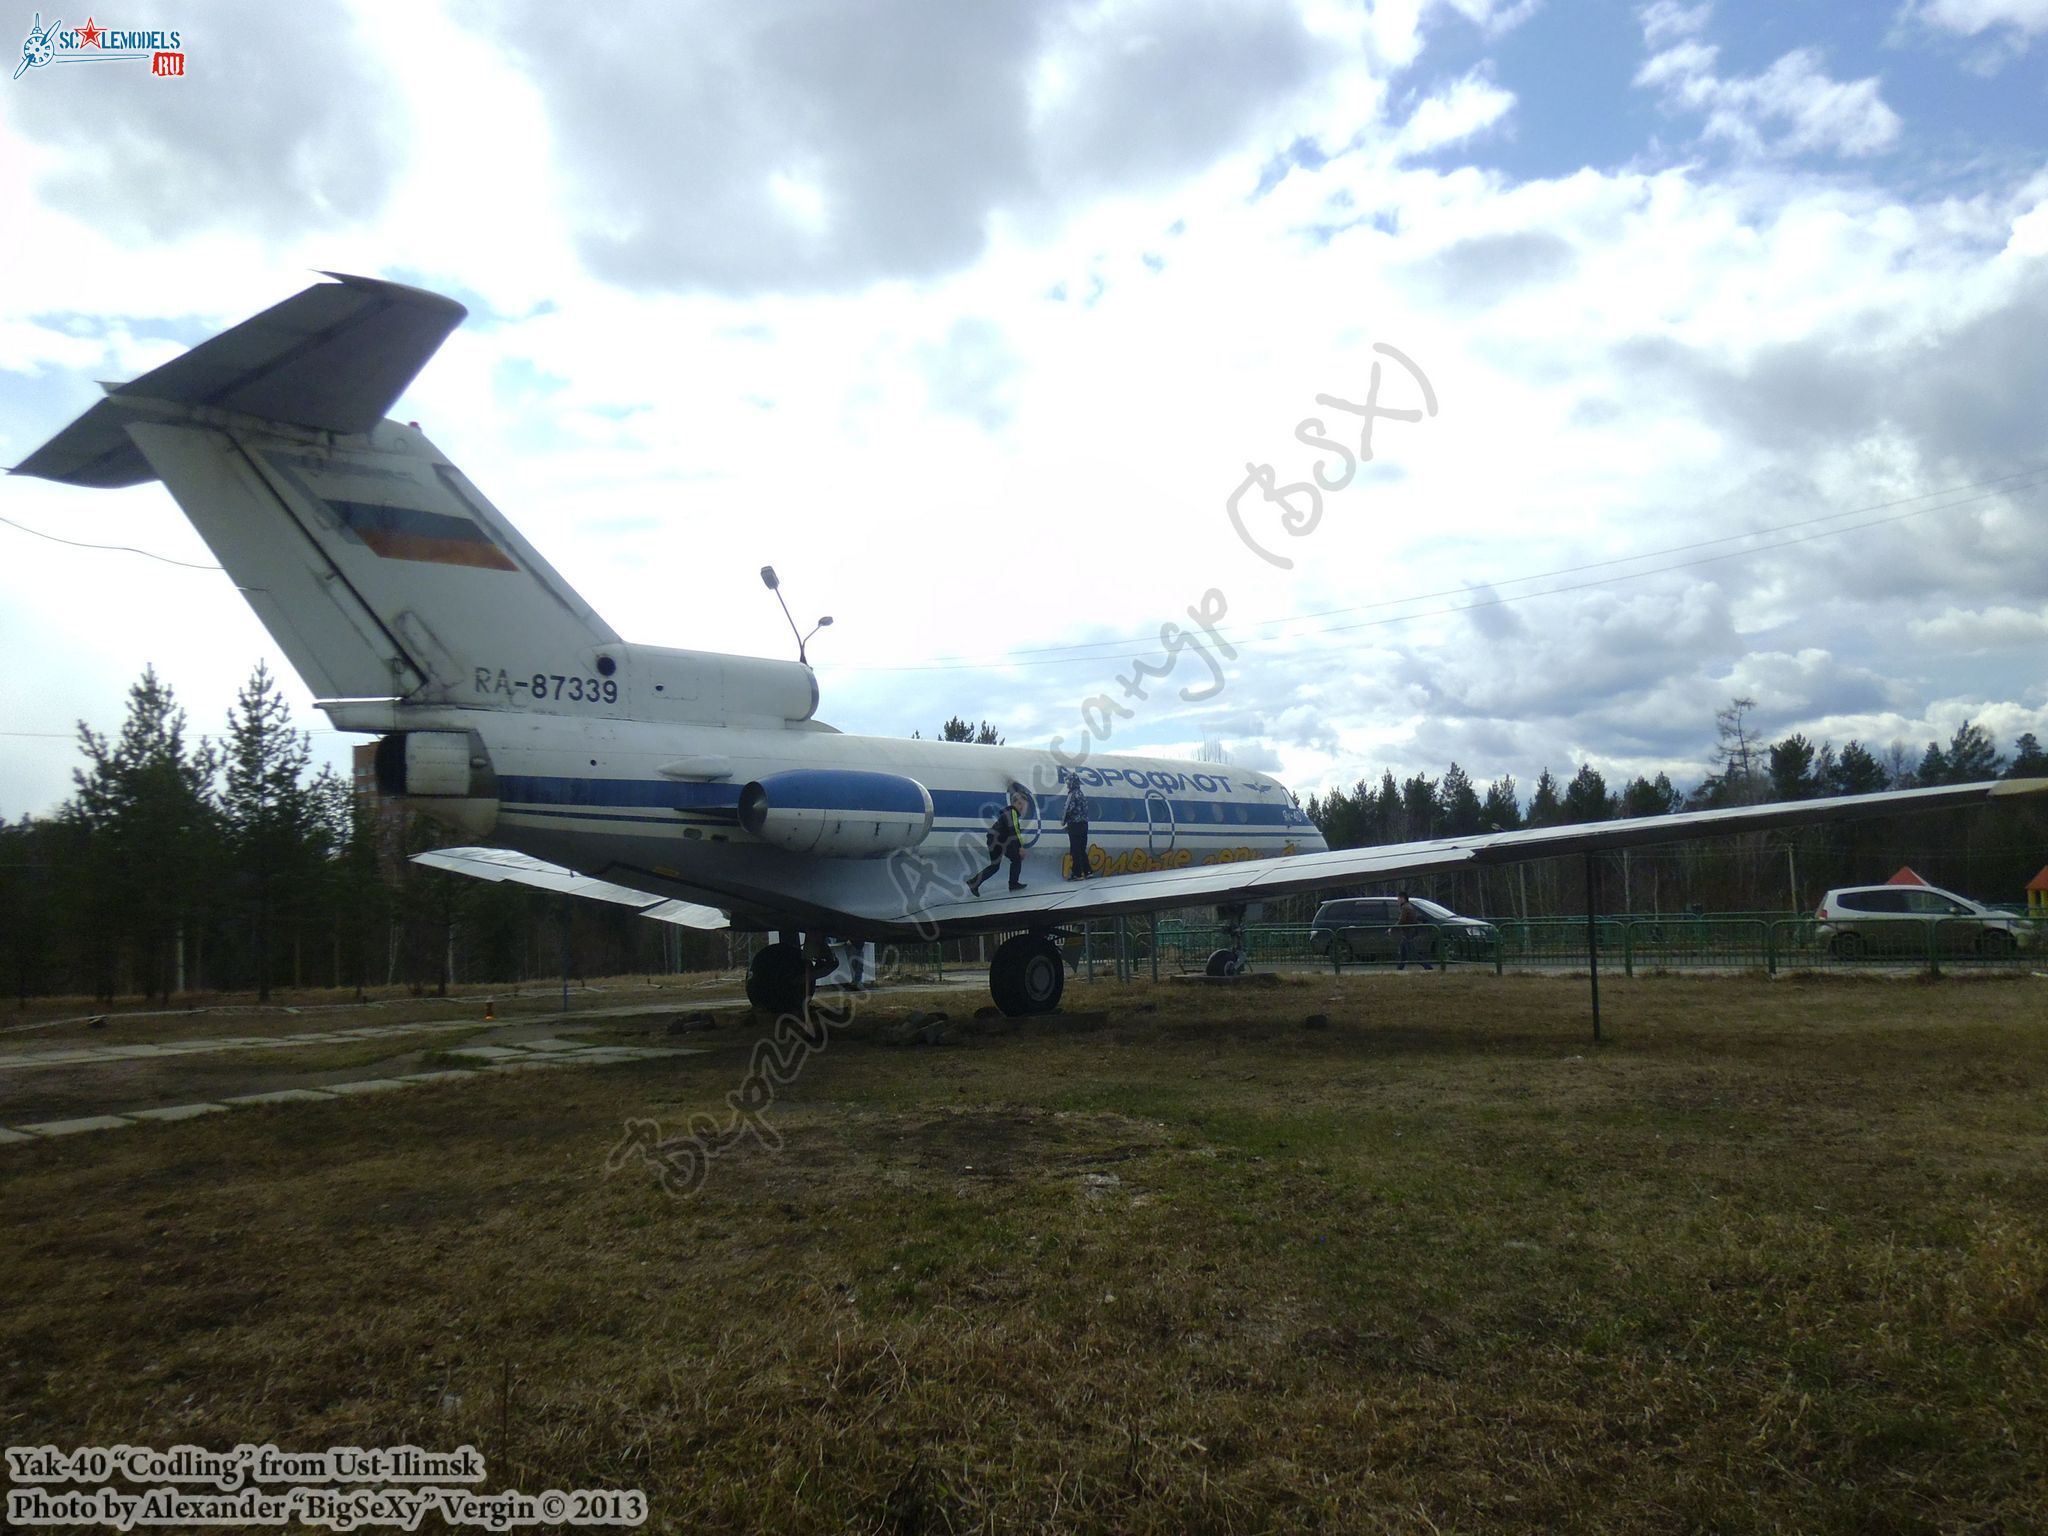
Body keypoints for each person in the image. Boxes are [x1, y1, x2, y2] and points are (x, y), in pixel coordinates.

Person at [967, 785, 1030, 896]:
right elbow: (1014, 831)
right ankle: (1013, 884)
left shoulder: (1008, 813)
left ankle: (974, 882)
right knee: (1016, 860)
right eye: (1019, 804)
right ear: (1013, 803)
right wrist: (1021, 847)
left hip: (994, 840)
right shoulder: (1012, 812)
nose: (1021, 807)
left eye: (1023, 804)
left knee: (995, 866)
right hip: (999, 841)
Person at [1061, 773, 1092, 880]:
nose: (1067, 785)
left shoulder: (1072, 794)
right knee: (1082, 849)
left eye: (1068, 782)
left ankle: (1077, 873)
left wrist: (1065, 822)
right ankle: (1088, 871)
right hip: (1084, 824)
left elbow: (1069, 809)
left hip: (1075, 825)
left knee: (1074, 849)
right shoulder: (1081, 794)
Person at [1395, 891, 1434, 971]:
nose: (1397, 900)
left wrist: (1392, 928)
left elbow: (1401, 920)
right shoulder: (1408, 906)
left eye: (1398, 898)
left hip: (1408, 932)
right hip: (1409, 931)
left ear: (1403, 899)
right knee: (1403, 952)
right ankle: (1399, 968)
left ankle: (1427, 966)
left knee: (1411, 952)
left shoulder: (1405, 907)